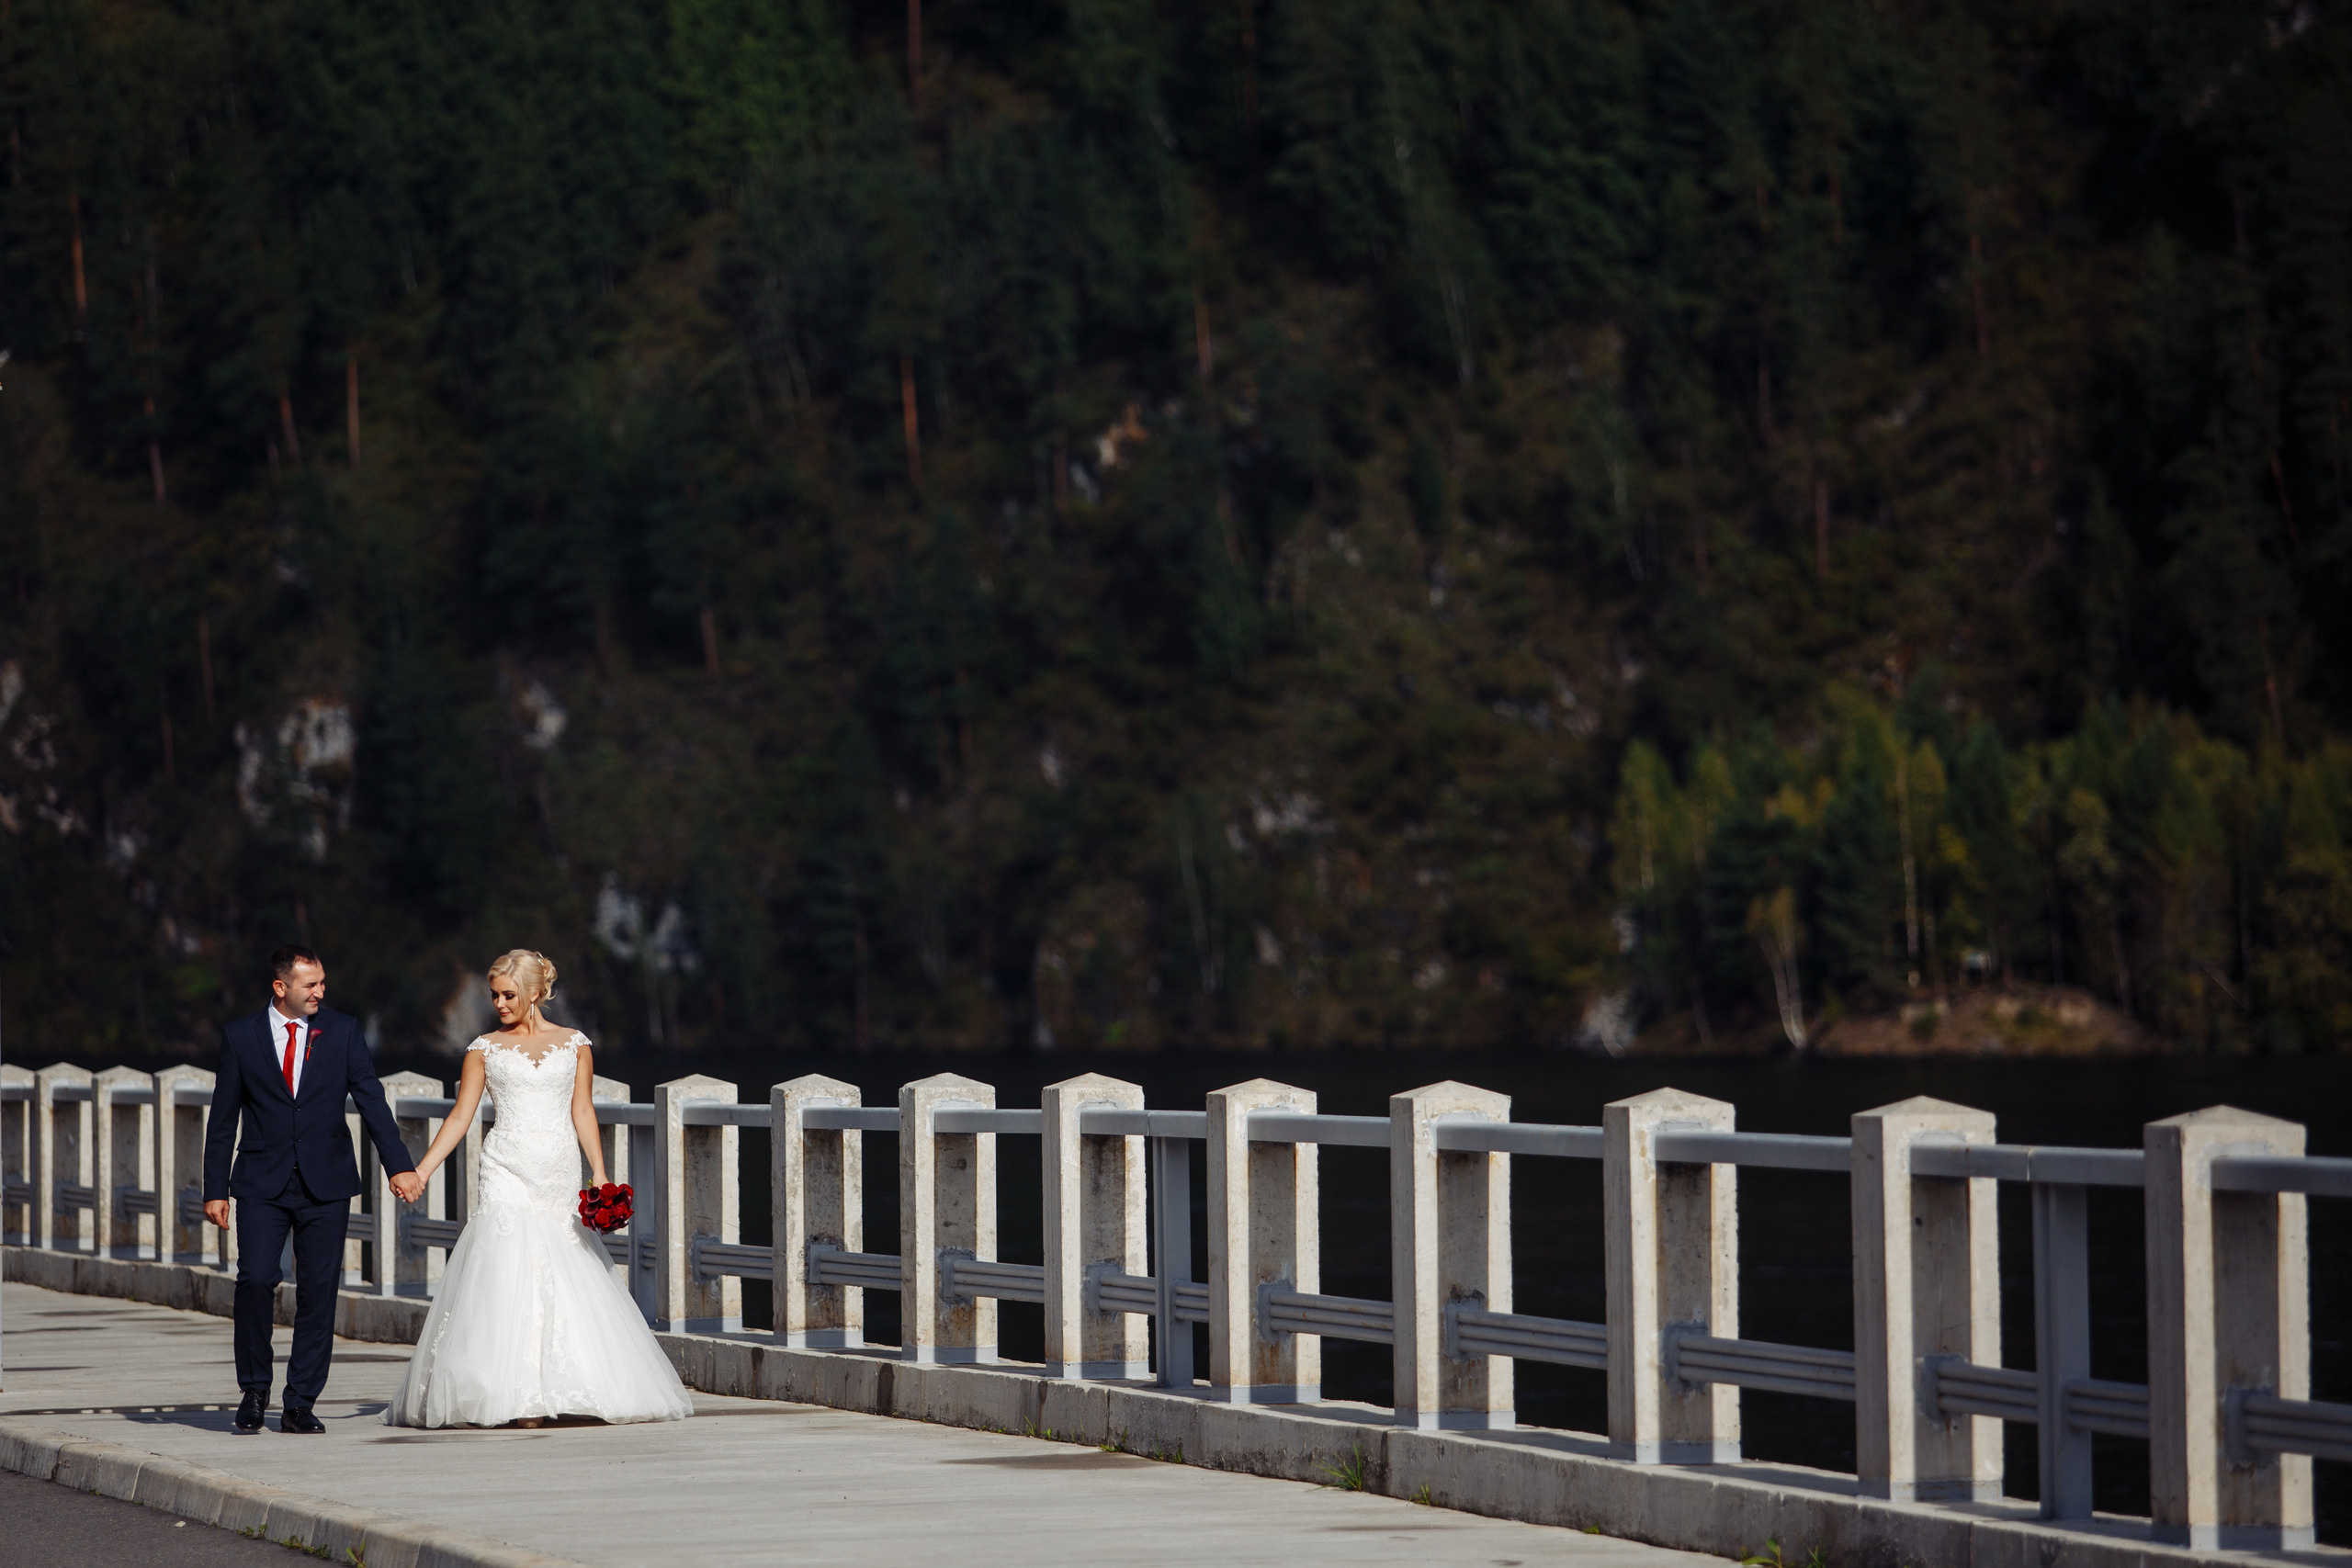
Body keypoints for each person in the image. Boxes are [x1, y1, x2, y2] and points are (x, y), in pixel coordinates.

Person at [384, 950, 693, 1427]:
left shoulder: (574, 1044)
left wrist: (601, 1173)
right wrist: (421, 1170)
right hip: (505, 1168)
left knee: (563, 1267)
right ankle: (515, 1396)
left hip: (558, 1169)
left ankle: (570, 1387)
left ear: (535, 993)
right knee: (506, 1267)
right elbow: (462, 1116)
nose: (500, 1004)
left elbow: (583, 1111)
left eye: (509, 995)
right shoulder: (483, 1048)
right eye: (494, 995)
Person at [203, 944, 424, 1435]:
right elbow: (222, 1120)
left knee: (319, 1291)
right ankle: (254, 1391)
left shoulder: (342, 1032)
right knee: (256, 1280)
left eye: (323, 982)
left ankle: (300, 1402)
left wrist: (400, 1166)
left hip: (327, 1182)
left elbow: (372, 1102)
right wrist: (214, 1188)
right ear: (281, 987)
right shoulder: (241, 1037)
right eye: (311, 984)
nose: (320, 992)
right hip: (262, 1181)